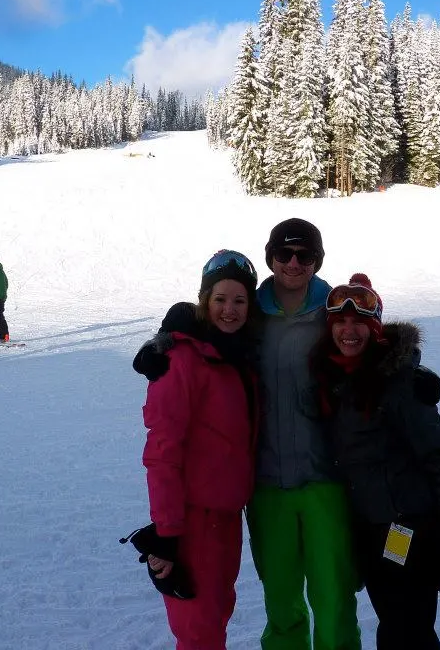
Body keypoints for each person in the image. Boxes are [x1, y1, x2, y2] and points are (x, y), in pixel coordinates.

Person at [134, 218, 362, 650]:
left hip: (324, 479)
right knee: (281, 601)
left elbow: (369, 342)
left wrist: (409, 367)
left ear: (317, 260)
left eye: (304, 255)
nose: (293, 263)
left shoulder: (331, 311)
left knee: (333, 598)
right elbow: (205, 320)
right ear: (270, 257)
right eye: (283, 254)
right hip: (265, 487)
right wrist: (168, 333)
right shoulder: (251, 314)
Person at [312, 274, 440, 650]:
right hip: (373, 534)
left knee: (408, 633)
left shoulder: (399, 383)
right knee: (395, 628)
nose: (349, 331)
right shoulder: (333, 379)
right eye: (340, 322)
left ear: (375, 329)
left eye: (359, 323)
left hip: (411, 531)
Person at [132, 249, 260, 650]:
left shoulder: (235, 355)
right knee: (199, 631)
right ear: (205, 300)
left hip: (226, 517)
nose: (229, 310)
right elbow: (162, 453)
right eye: (220, 299)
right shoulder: (182, 358)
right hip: (192, 523)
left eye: (240, 300)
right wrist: (168, 534)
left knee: (215, 619)